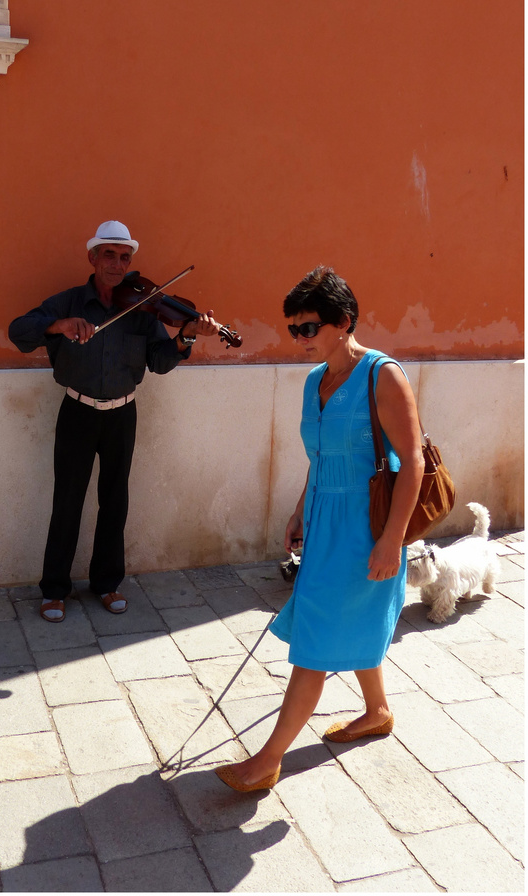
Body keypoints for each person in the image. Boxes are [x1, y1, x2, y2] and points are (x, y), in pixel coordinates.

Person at [216, 266, 425, 792]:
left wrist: (392, 541)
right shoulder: (314, 382)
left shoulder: (383, 375)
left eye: (308, 328)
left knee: (315, 636)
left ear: (344, 322)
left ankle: (267, 760)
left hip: (365, 527)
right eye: (294, 329)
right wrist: (299, 509)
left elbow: (413, 462)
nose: (300, 339)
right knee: (340, 621)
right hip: (325, 522)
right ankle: (376, 709)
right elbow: (320, 458)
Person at [8, 221, 219, 623]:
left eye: (125, 258)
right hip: (77, 411)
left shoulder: (143, 307)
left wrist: (186, 337)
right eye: (109, 254)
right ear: (92, 257)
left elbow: (159, 361)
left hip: (123, 412)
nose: (118, 264)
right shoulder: (68, 302)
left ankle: (106, 583)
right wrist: (57, 325)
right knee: (67, 500)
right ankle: (55, 589)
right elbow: (18, 331)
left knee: (115, 500)